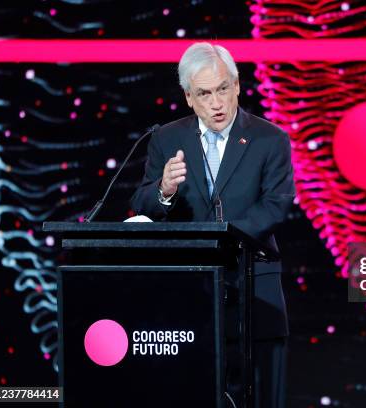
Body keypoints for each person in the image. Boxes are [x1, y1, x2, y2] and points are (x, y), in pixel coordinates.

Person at [130, 42, 295, 407]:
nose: (216, 103)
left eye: (223, 89)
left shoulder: (271, 139)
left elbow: (276, 205)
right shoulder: (167, 138)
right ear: (189, 97)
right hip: (189, 295)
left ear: (237, 86)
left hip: (253, 290)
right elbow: (140, 205)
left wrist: (225, 239)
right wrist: (163, 190)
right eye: (204, 94)